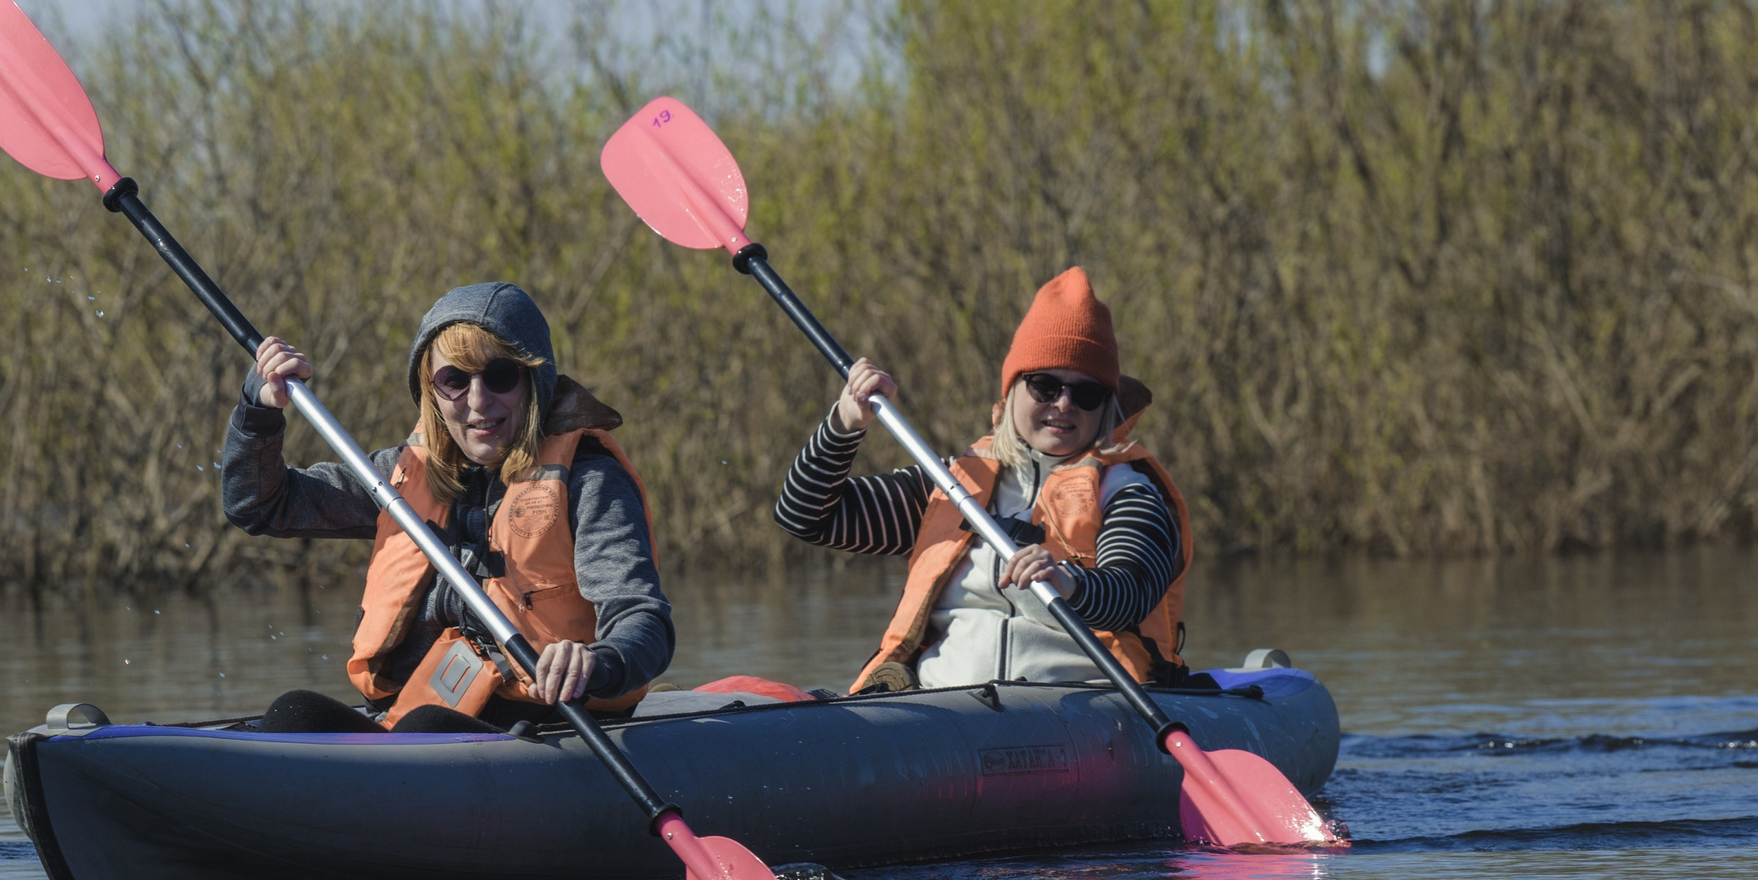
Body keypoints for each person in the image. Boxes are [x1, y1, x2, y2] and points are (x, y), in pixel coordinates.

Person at [222, 281, 673, 733]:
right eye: (455, 380)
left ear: (534, 382)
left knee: (427, 727)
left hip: (546, 722)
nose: (478, 401)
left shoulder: (589, 481)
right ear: (432, 392)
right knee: (295, 712)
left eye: (500, 376)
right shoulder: (399, 475)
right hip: (416, 722)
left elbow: (642, 619)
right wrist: (258, 411)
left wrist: (599, 661)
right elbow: (257, 504)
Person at [771, 267, 1191, 692]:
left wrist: (1069, 583)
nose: (1064, 404)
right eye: (1045, 386)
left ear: (1106, 407)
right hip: (944, 705)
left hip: (1078, 705)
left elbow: (1130, 593)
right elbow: (804, 516)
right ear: (1012, 391)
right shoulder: (955, 484)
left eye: (1086, 394)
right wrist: (844, 426)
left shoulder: (1129, 493)